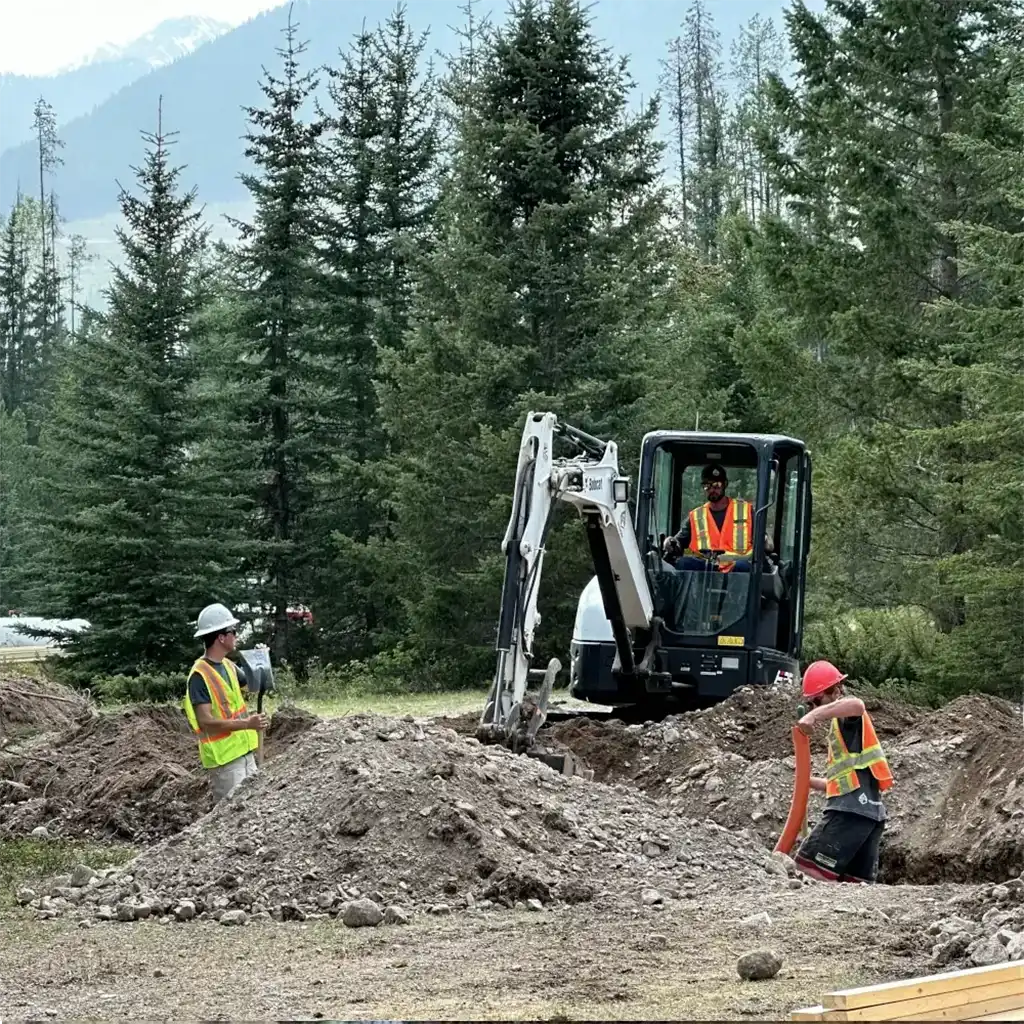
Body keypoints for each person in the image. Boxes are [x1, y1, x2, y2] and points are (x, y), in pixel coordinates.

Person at [793, 659, 893, 883]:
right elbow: (843, 781)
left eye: (815, 702)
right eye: (810, 706)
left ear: (835, 691)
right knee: (854, 886)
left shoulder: (849, 716)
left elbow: (857, 704)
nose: (813, 708)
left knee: (807, 869)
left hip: (850, 812)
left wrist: (813, 717)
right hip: (869, 815)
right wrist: (806, 782)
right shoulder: (845, 729)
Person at [182, 603, 268, 803]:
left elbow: (255, 685)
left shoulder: (228, 666)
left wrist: (261, 659)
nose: (236, 635)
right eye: (233, 631)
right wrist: (248, 724)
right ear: (221, 637)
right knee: (231, 819)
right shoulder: (199, 676)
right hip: (225, 763)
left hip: (245, 753)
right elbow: (205, 722)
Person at [662, 462, 754, 572]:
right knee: (683, 563)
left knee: (745, 566)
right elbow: (678, 541)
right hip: (705, 571)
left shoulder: (745, 511)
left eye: (717, 485)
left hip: (736, 570)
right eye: (707, 486)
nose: (712, 489)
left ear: (725, 484)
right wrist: (670, 541)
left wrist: (766, 542)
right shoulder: (696, 516)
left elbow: (764, 540)